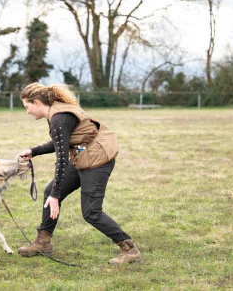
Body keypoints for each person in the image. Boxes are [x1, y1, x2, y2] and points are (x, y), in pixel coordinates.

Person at [17, 83, 142, 265]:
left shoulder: (59, 118)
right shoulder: (57, 112)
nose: (27, 112)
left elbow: (61, 160)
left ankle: (129, 249)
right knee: (50, 190)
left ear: (36, 102)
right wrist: (34, 151)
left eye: (27, 107)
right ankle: (43, 242)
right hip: (84, 153)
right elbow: (62, 141)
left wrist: (56, 194)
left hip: (98, 159)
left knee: (91, 212)